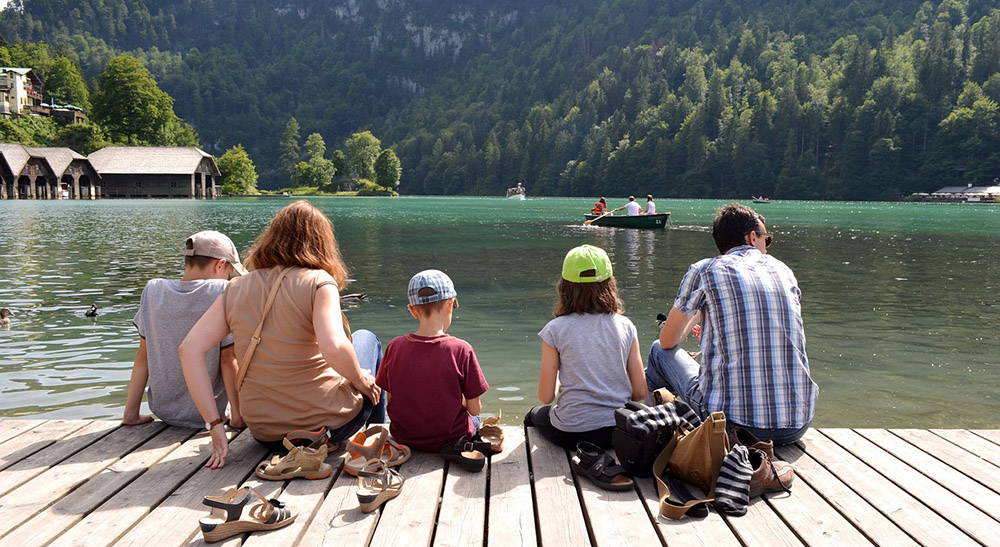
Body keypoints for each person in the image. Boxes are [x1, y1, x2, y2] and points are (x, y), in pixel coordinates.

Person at [179, 200, 384, 468]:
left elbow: (189, 349)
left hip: (266, 433)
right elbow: (333, 346)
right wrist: (359, 379)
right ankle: (380, 433)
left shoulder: (235, 288)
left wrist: (215, 423)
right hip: (328, 426)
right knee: (367, 338)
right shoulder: (319, 281)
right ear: (323, 243)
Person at [646, 203, 818, 445]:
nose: (766, 248)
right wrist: (702, 314)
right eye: (766, 240)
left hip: (733, 426)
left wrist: (695, 314)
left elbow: (668, 341)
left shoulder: (705, 271)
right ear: (751, 237)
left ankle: (638, 415)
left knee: (657, 351)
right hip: (796, 425)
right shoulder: (784, 270)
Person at [524, 245, 647, 450]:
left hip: (571, 433)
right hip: (617, 432)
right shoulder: (626, 326)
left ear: (564, 287)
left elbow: (546, 397)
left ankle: (531, 469)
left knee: (534, 415)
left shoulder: (555, 330)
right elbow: (639, 392)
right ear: (610, 284)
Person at [123, 230, 246, 429]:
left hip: (164, 412)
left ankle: (129, 413)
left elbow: (143, 356)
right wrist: (238, 417)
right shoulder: (222, 291)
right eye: (229, 272)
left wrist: (131, 414)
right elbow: (227, 359)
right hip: (210, 415)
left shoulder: (153, 290)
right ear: (220, 265)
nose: (228, 277)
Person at [375, 269, 489, 452]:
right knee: (475, 419)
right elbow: (475, 409)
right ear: (450, 305)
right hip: (450, 438)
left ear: (412, 311)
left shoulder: (394, 347)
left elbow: (391, 400)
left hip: (404, 437)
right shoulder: (462, 349)